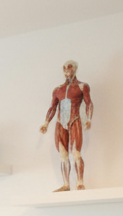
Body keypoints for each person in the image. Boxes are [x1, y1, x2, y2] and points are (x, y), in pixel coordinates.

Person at [40, 60, 94, 191]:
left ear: (75, 69)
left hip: (74, 119)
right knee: (63, 155)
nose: (66, 70)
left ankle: (80, 182)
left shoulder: (82, 86)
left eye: (69, 67)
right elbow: (53, 107)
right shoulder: (58, 89)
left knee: (76, 153)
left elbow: (88, 103)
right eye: (64, 68)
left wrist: (88, 119)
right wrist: (46, 123)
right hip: (60, 123)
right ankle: (66, 184)